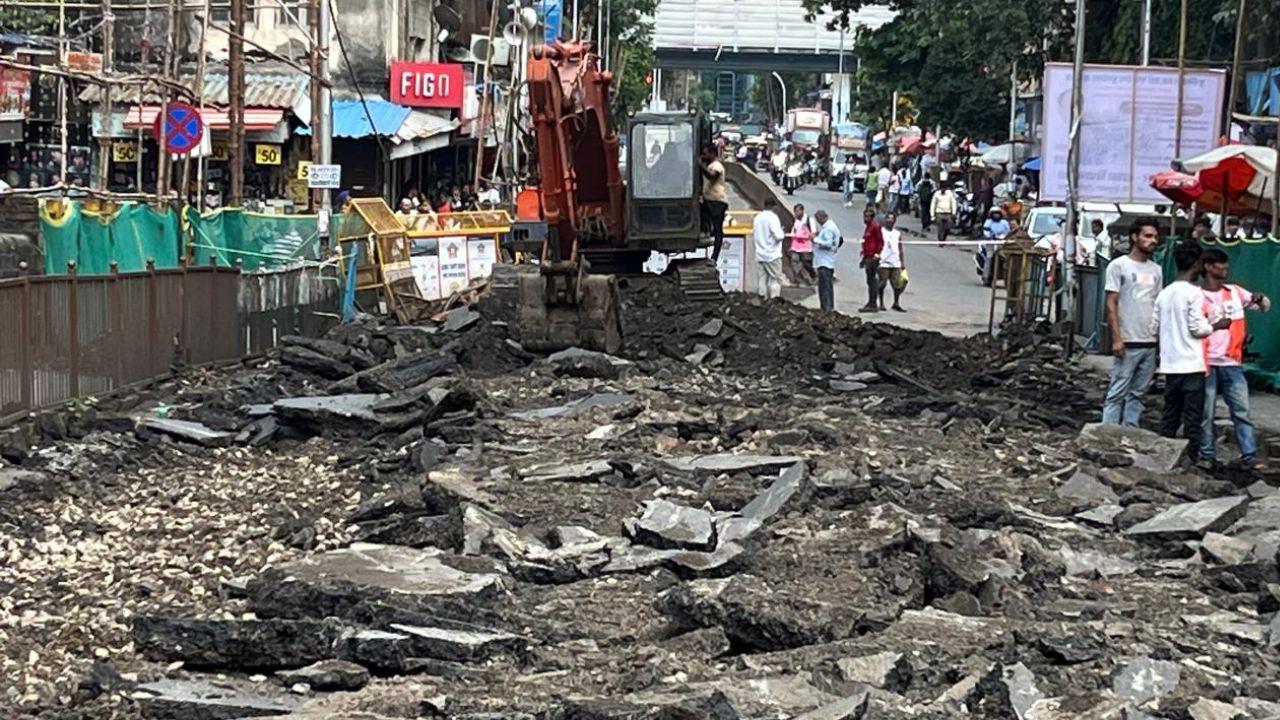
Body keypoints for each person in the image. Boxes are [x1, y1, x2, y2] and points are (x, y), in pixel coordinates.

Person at [1151, 244, 1229, 451]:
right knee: (1193, 416)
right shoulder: (1194, 293)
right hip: (1192, 364)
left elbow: (1154, 328)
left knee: (1171, 412)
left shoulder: (1164, 293)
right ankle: (1191, 457)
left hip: (1170, 365)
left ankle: (1163, 452)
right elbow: (1198, 329)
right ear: (1196, 264)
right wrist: (1216, 325)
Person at [1199, 248, 1270, 468]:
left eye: (1225, 265)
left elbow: (1264, 306)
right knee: (1206, 413)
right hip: (1206, 362)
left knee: (1242, 411)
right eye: (1220, 265)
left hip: (1232, 361)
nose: (1225, 269)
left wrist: (1260, 298)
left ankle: (1249, 454)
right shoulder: (1196, 296)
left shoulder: (1235, 292)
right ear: (1208, 267)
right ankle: (1207, 454)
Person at [1101, 218, 1164, 426]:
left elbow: (1157, 303)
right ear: (1134, 237)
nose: (1152, 240)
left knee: (1138, 394)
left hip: (1149, 341)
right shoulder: (1118, 266)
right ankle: (1106, 434)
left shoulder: (1156, 270)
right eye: (1147, 236)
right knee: (1117, 392)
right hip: (1128, 340)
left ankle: (1130, 432)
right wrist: (1117, 338)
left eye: (1155, 237)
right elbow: (1111, 302)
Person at [752, 198, 786, 299]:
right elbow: (779, 236)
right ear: (773, 206)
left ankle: (762, 298)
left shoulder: (758, 217)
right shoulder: (773, 218)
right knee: (776, 279)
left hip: (760, 253)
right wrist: (782, 231)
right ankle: (774, 300)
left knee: (762, 278)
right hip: (772, 254)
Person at [700, 144, 729, 261]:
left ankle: (714, 256)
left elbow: (712, 177)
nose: (704, 156)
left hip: (717, 201)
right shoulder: (709, 165)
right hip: (709, 200)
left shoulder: (717, 166)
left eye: (705, 154)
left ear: (712, 153)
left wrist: (700, 164)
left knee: (718, 230)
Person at [812, 209, 841, 311]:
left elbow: (828, 243)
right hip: (826, 260)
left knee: (825, 287)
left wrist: (814, 239)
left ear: (822, 217)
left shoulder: (828, 229)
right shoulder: (830, 227)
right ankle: (827, 307)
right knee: (826, 286)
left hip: (825, 262)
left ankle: (826, 308)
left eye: (818, 219)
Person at [877, 212, 906, 312]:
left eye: (892, 219)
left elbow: (900, 248)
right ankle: (881, 303)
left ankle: (896, 303)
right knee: (882, 284)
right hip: (883, 261)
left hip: (895, 262)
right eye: (888, 218)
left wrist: (902, 262)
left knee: (898, 284)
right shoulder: (880, 231)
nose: (890, 221)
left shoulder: (897, 233)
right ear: (885, 220)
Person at [859, 206, 884, 313]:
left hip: (873, 257)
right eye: (864, 216)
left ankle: (873, 303)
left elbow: (880, 241)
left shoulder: (875, 226)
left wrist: (877, 254)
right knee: (869, 281)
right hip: (867, 256)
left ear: (872, 217)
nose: (865, 219)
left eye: (867, 217)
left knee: (872, 280)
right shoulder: (868, 227)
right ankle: (871, 302)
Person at [789, 203, 817, 286]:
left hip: (806, 247)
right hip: (796, 246)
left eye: (798, 211)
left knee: (807, 263)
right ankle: (797, 280)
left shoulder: (809, 220)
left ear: (802, 211)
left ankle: (813, 275)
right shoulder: (795, 220)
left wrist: (807, 236)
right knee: (794, 262)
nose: (796, 213)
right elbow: (793, 232)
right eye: (795, 211)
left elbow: (813, 233)